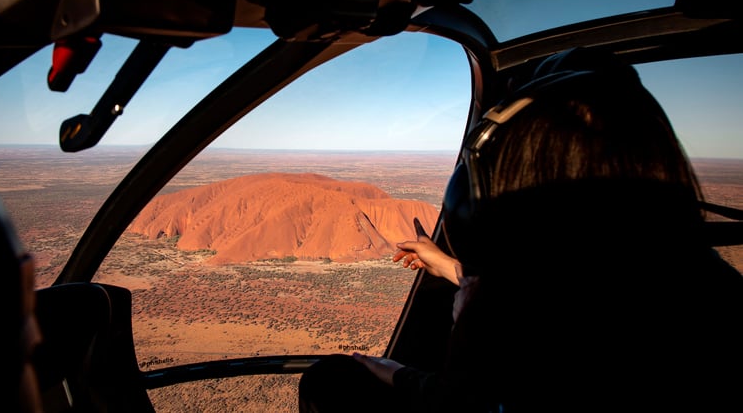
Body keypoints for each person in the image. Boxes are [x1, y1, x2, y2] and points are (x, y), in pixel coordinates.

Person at [298, 47, 743, 412]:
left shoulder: (542, 349)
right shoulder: (705, 295)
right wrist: (452, 271)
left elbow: (480, 401)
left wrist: (426, 357)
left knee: (331, 385)